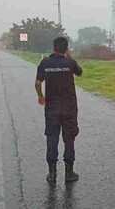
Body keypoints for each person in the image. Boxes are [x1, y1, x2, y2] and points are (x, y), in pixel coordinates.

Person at [35, 37, 83, 183]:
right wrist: (70, 56)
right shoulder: (70, 63)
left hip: (52, 109)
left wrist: (41, 96)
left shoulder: (45, 62)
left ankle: (52, 173)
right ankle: (69, 173)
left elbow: (37, 83)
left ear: (53, 48)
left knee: (52, 138)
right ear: (66, 49)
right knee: (69, 139)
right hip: (69, 108)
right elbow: (80, 72)